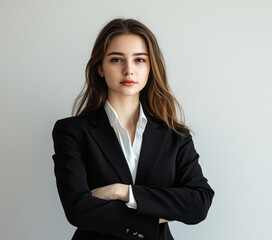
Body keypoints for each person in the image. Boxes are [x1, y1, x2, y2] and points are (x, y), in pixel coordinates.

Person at [52, 18, 214, 240]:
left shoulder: (175, 135)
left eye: (139, 60)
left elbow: (199, 203)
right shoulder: (71, 131)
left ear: (150, 68)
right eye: (117, 59)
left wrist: (122, 192)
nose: (128, 70)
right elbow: (78, 209)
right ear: (100, 67)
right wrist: (159, 212)